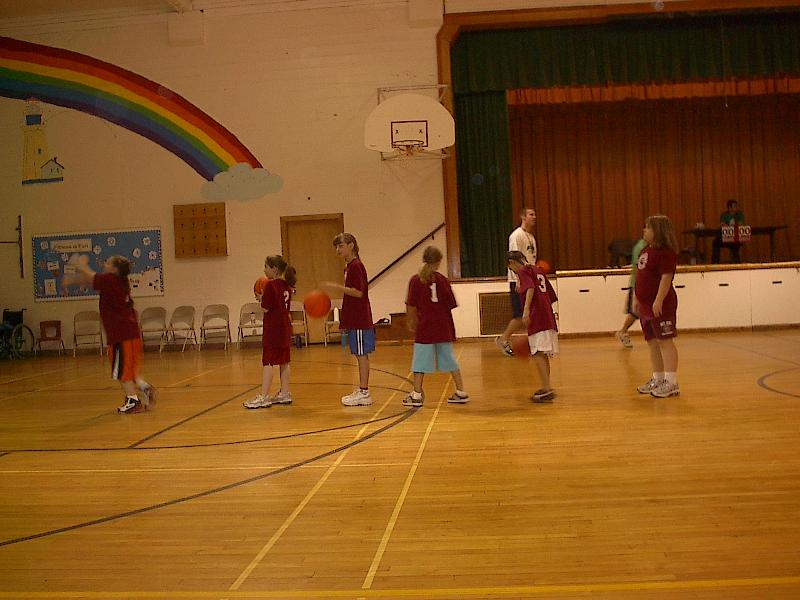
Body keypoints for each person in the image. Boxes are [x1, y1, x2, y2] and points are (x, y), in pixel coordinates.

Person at [71, 255, 158, 414]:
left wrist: (81, 264)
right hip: (131, 333)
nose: (105, 264)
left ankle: (133, 401)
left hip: (120, 335)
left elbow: (91, 277)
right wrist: (74, 279)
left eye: (108, 262)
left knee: (122, 372)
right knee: (129, 370)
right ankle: (145, 388)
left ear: (114, 268)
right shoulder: (120, 282)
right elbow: (90, 280)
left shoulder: (110, 279)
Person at [403, 246, 469, 408]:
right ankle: (461, 391)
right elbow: (451, 303)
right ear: (438, 262)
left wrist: (411, 321)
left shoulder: (416, 280)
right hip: (443, 326)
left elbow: (411, 305)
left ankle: (417, 394)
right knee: (450, 359)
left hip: (425, 326)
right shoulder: (442, 280)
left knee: (420, 361)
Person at [322, 233, 375, 406]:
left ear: (351, 245)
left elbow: (359, 292)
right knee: (359, 354)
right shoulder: (349, 267)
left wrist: (338, 287)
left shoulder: (356, 266)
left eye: (341, 246)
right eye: (336, 247)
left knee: (361, 355)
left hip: (360, 318)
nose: (338, 250)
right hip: (354, 318)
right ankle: (362, 390)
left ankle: (364, 392)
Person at [634, 215, 680, 398]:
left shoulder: (665, 253)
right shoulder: (645, 250)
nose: (644, 230)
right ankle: (658, 377)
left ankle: (671, 381)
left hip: (661, 306)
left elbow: (666, 277)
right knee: (652, 342)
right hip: (645, 306)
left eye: (648, 227)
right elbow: (640, 277)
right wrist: (637, 299)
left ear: (658, 231)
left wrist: (659, 299)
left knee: (665, 341)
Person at [244, 255, 296, 409]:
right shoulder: (287, 286)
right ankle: (285, 393)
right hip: (285, 327)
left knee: (268, 362)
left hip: (273, 329)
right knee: (284, 361)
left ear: (274, 269)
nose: (264, 270)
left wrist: (261, 298)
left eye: (266, 267)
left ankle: (264, 396)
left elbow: (266, 308)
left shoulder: (270, 286)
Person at [506, 250, 559, 403]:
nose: (513, 272)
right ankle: (546, 386)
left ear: (512, 262)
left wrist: (526, 310)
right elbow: (551, 295)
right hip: (547, 314)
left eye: (510, 268)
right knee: (542, 353)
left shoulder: (523, 271)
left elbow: (530, 288)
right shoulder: (537, 270)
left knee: (537, 353)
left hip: (537, 316)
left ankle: (547, 389)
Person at [496, 207, 538, 356]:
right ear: (523, 217)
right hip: (518, 281)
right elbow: (513, 259)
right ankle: (503, 339)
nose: (534, 217)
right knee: (520, 316)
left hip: (530, 280)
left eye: (535, 214)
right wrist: (519, 280)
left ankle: (534, 343)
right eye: (531, 214)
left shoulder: (531, 237)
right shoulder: (516, 236)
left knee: (531, 313)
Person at [615, 238, 647, 348]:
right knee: (635, 312)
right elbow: (638, 269)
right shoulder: (641, 247)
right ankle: (623, 331)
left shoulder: (652, 246)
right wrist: (638, 285)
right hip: (637, 284)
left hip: (646, 284)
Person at [711, 199, 745, 263]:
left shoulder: (739, 214)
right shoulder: (724, 215)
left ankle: (736, 263)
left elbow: (741, 224)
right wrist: (732, 226)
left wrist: (728, 226)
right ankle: (715, 263)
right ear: (730, 208)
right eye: (734, 206)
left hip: (736, 237)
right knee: (715, 242)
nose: (736, 207)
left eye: (736, 206)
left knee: (735, 245)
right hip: (726, 237)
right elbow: (723, 225)